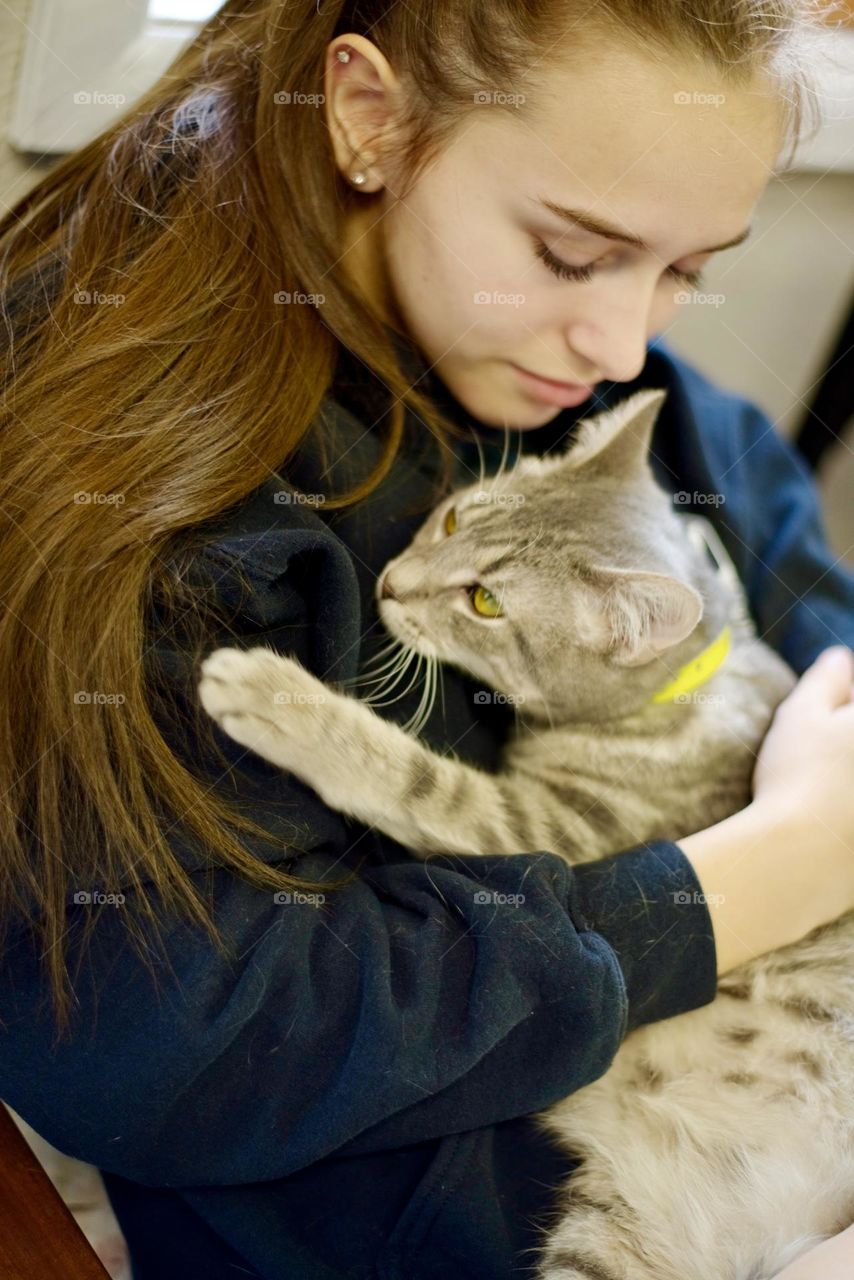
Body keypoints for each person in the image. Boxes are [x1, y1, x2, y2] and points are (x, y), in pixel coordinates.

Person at [0, 1, 852, 1277]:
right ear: (366, 116)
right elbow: (172, 1049)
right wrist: (749, 876)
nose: (625, 343)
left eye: (684, 271)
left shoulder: (626, 409)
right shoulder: (156, 488)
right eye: (572, 253)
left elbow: (821, 642)